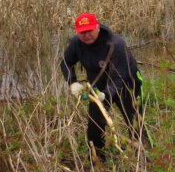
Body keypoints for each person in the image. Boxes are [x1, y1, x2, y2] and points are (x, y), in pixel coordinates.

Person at [61, 12, 145, 162]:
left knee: (134, 122)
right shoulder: (76, 44)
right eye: (82, 32)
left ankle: (142, 157)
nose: (86, 35)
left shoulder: (115, 44)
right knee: (94, 126)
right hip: (97, 86)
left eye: (89, 30)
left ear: (97, 27)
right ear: (77, 32)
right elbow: (65, 63)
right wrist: (73, 82)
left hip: (126, 84)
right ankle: (97, 159)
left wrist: (105, 95)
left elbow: (119, 78)